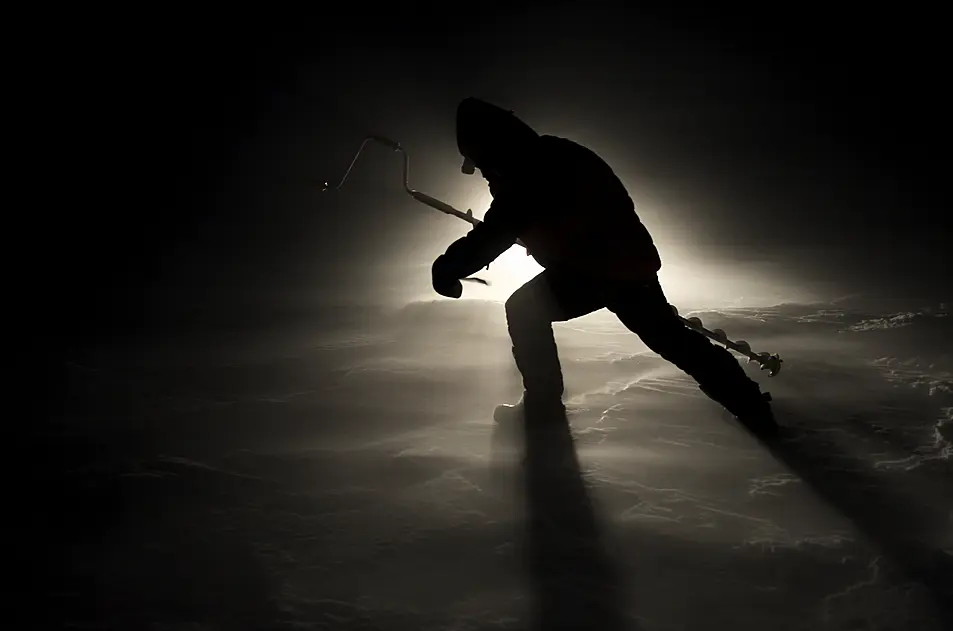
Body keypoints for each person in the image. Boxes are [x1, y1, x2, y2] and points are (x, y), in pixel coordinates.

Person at [432, 97, 775, 429]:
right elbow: (578, 213)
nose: (479, 173)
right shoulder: (556, 152)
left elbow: (496, 232)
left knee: (524, 309)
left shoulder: (524, 171)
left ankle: (544, 408)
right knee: (674, 341)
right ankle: (751, 405)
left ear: (489, 146)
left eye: (476, 161)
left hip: (596, 272)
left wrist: (447, 270)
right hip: (625, 265)